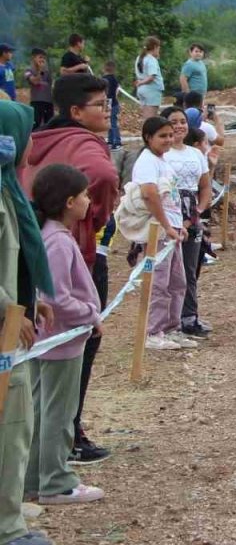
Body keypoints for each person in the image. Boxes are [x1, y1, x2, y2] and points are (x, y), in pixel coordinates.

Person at [22, 73, 118, 465]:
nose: (108, 111)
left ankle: (46, 441)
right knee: (77, 347)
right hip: (73, 253)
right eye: (101, 104)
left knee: (40, 359)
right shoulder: (83, 143)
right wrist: (92, 218)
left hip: (34, 250)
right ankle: (68, 437)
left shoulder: (41, 142)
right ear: (76, 111)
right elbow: (105, 176)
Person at [27, 164, 107, 506]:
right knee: (59, 414)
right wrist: (90, 314)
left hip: (50, 341)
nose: (90, 201)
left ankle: (34, 479)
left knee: (42, 411)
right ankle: (56, 481)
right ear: (70, 201)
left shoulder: (47, 235)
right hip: (61, 341)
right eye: (86, 195)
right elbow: (56, 298)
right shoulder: (58, 242)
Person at [0, 100, 57, 545]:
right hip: (4, 330)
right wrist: (7, 307)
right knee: (12, 429)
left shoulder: (8, 188)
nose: (30, 143)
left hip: (14, 319)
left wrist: (29, 296)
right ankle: (8, 527)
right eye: (24, 132)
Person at [132, 116, 195, 350]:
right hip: (158, 231)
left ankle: (171, 328)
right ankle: (153, 332)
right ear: (148, 138)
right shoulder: (147, 161)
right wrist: (166, 226)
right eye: (163, 136)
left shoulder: (163, 160)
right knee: (159, 282)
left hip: (172, 229)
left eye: (170, 135)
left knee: (177, 282)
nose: (168, 139)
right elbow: (149, 194)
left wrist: (178, 226)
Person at [162, 108, 213, 338]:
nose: (179, 126)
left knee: (190, 268)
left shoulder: (195, 154)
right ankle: (166, 320)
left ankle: (189, 317)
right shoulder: (158, 155)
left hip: (192, 216)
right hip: (168, 216)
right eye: (174, 122)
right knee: (169, 271)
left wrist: (198, 211)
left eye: (183, 121)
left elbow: (204, 186)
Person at [133, 36, 164, 120]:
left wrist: (140, 83)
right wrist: (141, 82)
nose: (159, 50)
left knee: (145, 117)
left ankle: (145, 132)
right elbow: (151, 77)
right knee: (151, 118)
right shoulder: (151, 60)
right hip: (152, 90)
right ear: (155, 47)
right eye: (158, 48)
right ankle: (149, 133)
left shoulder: (139, 58)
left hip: (142, 90)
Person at [24, 50, 54, 128]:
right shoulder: (28, 70)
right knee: (35, 124)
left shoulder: (47, 71)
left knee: (50, 125)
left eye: (44, 58)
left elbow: (51, 85)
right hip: (37, 102)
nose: (42, 60)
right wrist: (40, 71)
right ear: (34, 58)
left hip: (48, 102)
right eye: (40, 57)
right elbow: (35, 81)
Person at [101, 60, 122, 150]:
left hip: (110, 104)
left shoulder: (104, 79)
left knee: (112, 124)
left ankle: (116, 142)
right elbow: (117, 90)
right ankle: (110, 141)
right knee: (111, 123)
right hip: (114, 103)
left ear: (105, 68)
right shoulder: (114, 79)